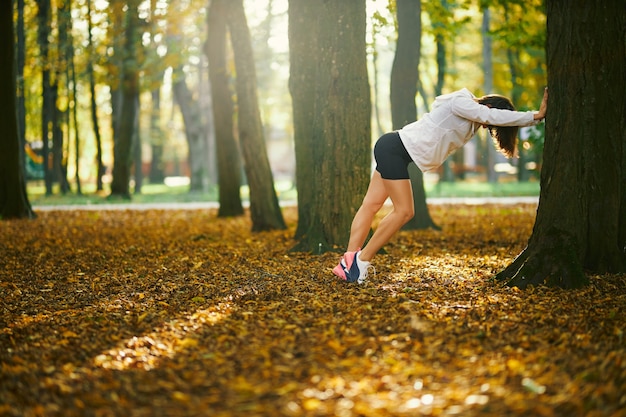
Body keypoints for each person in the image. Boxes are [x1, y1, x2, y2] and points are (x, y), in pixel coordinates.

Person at [333, 87, 549, 284]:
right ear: (489, 107)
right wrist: (535, 116)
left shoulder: (471, 118)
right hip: (394, 149)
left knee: (370, 205)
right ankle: (361, 262)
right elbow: (488, 115)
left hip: (394, 149)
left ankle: (348, 263)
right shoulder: (462, 101)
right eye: (490, 122)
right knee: (405, 211)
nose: (486, 126)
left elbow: (485, 117)